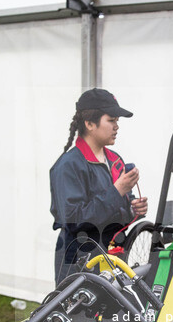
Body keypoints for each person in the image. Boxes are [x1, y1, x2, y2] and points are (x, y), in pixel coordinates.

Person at [49, 88, 147, 284]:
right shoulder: (68, 166)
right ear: (90, 123)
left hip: (113, 259)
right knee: (80, 315)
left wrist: (134, 208)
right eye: (111, 120)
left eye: (117, 121)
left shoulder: (114, 160)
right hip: (79, 263)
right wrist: (117, 191)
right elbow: (74, 221)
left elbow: (116, 212)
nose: (116, 127)